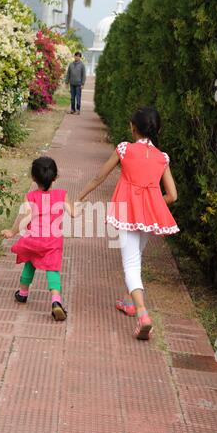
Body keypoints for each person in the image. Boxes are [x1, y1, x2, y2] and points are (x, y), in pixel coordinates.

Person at [77, 107, 179, 340]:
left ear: (133, 128)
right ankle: (128, 302)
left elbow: (99, 177)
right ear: (157, 130)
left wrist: (79, 197)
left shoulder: (124, 149)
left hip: (125, 214)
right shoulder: (162, 158)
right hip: (147, 218)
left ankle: (143, 315)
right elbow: (172, 195)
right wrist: (151, 206)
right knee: (136, 257)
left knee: (130, 264)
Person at [1, 156, 80, 321]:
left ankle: (23, 293)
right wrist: (78, 206)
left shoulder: (30, 197)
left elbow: (26, 218)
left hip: (33, 239)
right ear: (56, 177)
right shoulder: (62, 194)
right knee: (53, 269)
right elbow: (73, 213)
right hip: (52, 241)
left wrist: (12, 232)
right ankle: (56, 301)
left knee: (30, 263)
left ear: (33, 177)